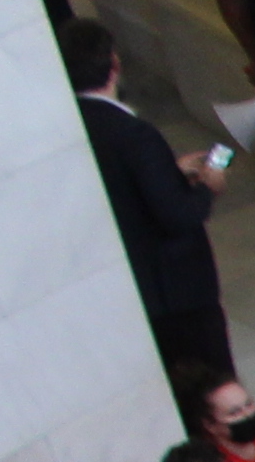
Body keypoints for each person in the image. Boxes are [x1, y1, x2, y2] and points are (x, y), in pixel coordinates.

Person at [62, 21, 229, 384]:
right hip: (176, 290)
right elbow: (178, 215)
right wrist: (207, 187)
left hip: (136, 288)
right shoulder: (135, 135)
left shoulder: (73, 127)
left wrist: (168, 173)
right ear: (114, 64)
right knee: (211, 382)